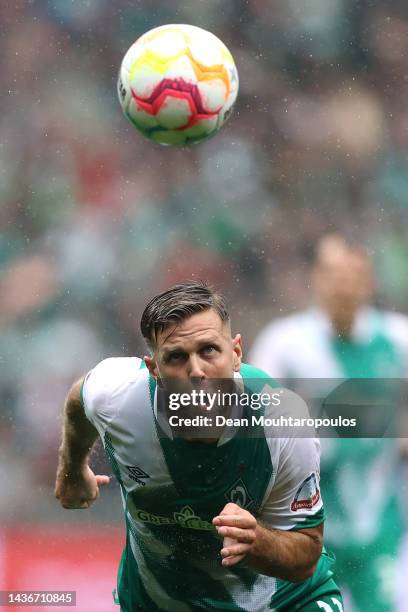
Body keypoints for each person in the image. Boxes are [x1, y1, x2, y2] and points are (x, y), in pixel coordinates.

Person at [55, 281, 343, 612]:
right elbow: (80, 398)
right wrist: (73, 468)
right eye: (176, 357)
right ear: (154, 371)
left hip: (285, 603)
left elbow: (306, 555)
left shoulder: (282, 421)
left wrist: (260, 542)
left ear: (235, 354)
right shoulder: (120, 398)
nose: (196, 372)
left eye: (209, 350)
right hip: (157, 605)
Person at [249, 235, 408, 612]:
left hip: (382, 526)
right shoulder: (286, 343)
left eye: (352, 274)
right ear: (316, 279)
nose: (343, 284)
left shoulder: (398, 338)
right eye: (332, 273)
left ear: (369, 281)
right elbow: (252, 414)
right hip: (308, 529)